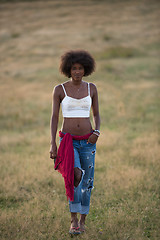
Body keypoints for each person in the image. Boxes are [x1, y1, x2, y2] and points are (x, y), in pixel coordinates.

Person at [50, 50, 100, 235]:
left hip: (88, 141)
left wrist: (97, 131)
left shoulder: (92, 88)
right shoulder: (59, 89)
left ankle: (83, 221)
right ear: (68, 70)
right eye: (74, 68)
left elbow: (96, 114)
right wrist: (52, 143)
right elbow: (54, 117)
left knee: (87, 182)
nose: (77, 72)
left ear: (85, 69)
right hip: (68, 141)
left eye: (80, 68)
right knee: (75, 175)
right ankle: (73, 220)